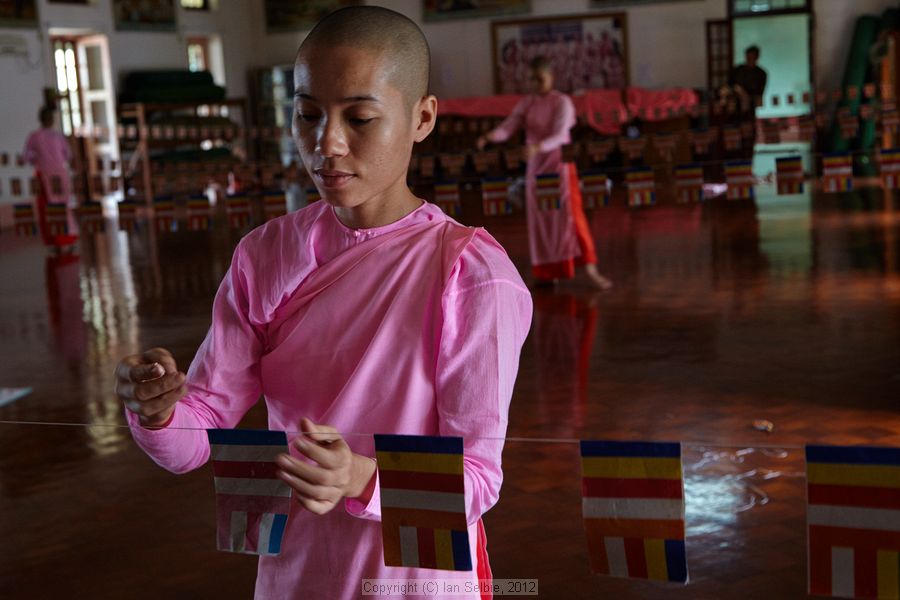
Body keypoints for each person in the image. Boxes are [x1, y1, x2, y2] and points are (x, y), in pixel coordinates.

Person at [114, 6, 532, 600]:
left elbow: (476, 480)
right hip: (296, 571)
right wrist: (157, 411)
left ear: (422, 118)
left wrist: (359, 477)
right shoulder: (263, 255)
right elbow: (200, 432)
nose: (326, 143)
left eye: (359, 117)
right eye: (307, 114)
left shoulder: (469, 272)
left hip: (415, 575)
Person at [477, 56, 612, 289]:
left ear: (551, 77)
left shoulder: (562, 102)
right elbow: (509, 127)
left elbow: (561, 135)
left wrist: (537, 147)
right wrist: (489, 137)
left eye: (541, 79)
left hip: (560, 165)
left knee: (571, 219)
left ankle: (591, 271)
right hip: (536, 167)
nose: (536, 84)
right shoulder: (527, 103)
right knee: (540, 221)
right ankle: (548, 271)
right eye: (532, 80)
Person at [22, 106, 79, 252]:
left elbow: (26, 157)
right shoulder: (57, 137)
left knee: (52, 207)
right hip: (59, 174)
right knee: (62, 206)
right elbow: (68, 155)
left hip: (46, 175)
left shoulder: (35, 137)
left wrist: (38, 160)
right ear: (51, 120)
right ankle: (67, 238)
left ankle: (59, 240)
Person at [728, 45, 768, 111]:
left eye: (752, 57)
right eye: (748, 57)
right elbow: (730, 84)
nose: (749, 60)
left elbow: (760, 92)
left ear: (756, 58)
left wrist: (746, 95)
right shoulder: (738, 70)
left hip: (751, 102)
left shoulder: (761, 73)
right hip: (735, 101)